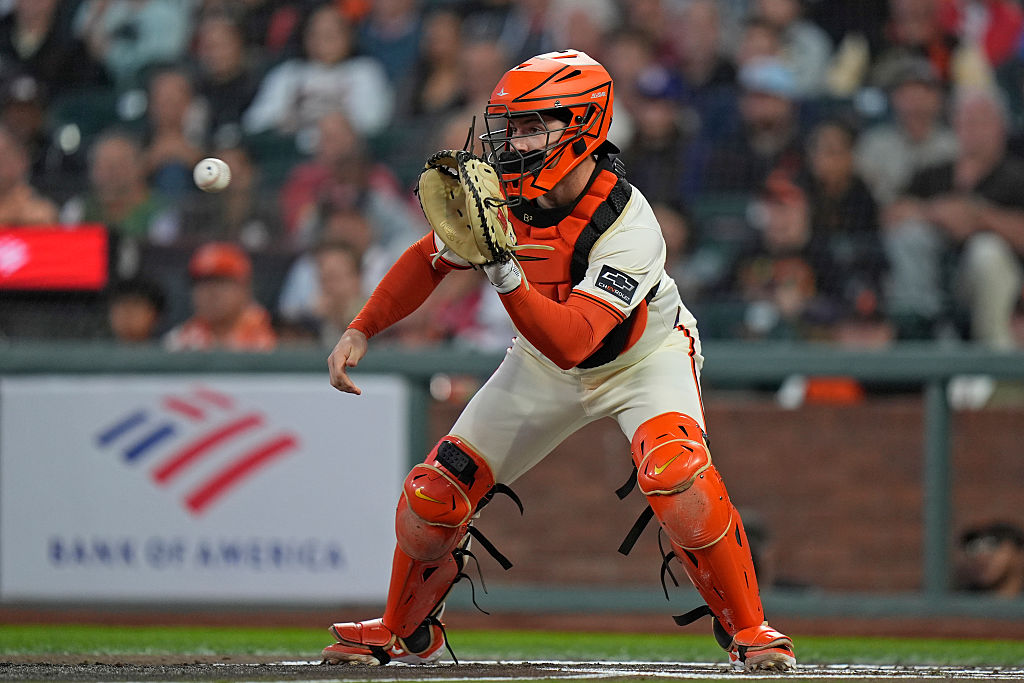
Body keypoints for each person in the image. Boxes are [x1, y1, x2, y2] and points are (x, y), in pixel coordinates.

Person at [321, 49, 796, 672]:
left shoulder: (627, 223)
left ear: (585, 126)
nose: (513, 141)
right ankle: (403, 629)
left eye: (532, 124)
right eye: (510, 125)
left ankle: (751, 629)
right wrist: (363, 326)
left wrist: (503, 272)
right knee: (433, 494)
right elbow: (428, 258)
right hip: (545, 363)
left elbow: (575, 340)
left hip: (641, 359)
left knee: (678, 477)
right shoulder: (509, 198)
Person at [883, 86, 1024, 346]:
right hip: (934, 281)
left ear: (1001, 128)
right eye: (966, 121)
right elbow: (891, 214)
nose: (973, 130)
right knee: (911, 235)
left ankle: (994, 356)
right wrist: (936, 212)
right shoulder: (934, 173)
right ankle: (920, 334)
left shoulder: (1016, 176)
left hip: (1001, 286)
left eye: (982, 122)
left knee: (987, 251)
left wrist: (981, 218)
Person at [163, 241, 277, 351]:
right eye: (201, 283)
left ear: (245, 288)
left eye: (220, 282)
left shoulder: (274, 334)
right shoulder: (180, 340)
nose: (209, 293)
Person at [955, 521, 1024, 597]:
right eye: (973, 548)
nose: (981, 557)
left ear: (1019, 553)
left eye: (993, 545)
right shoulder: (960, 601)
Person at [106, 276, 166, 344]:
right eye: (121, 304)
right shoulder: (97, 351)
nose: (127, 313)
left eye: (135, 304)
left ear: (155, 315)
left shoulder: (170, 350)